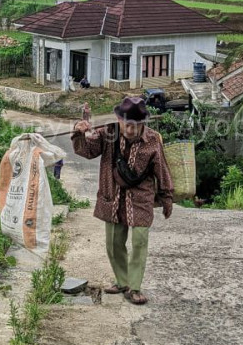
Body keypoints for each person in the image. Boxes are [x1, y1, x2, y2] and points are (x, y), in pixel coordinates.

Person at [72, 96, 173, 305]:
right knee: (114, 243)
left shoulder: (153, 140)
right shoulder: (107, 134)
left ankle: (134, 288)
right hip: (113, 196)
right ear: (119, 120)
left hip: (140, 199)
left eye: (136, 125)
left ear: (143, 124)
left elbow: (161, 169)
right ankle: (122, 281)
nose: (130, 129)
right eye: (127, 124)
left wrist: (166, 197)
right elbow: (87, 151)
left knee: (140, 241)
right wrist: (78, 132)